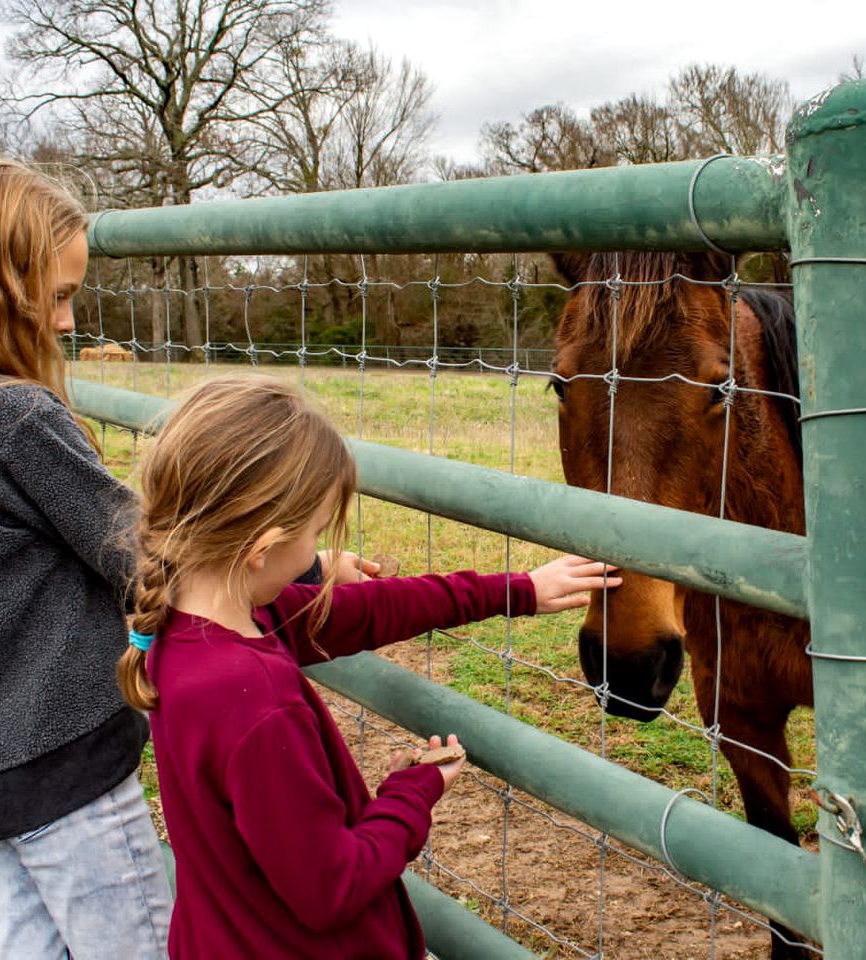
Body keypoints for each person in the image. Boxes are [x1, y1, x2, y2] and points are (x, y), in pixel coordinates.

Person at [0, 157, 369, 958]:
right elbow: (144, 553)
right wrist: (304, 568)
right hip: (59, 770)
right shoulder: (7, 417)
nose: (67, 323)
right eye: (57, 296)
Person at [116, 373, 620, 959]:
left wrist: (518, 590)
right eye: (313, 533)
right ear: (261, 547)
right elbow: (331, 887)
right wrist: (411, 794)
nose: (317, 553)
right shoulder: (255, 698)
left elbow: (371, 610)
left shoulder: (186, 626)